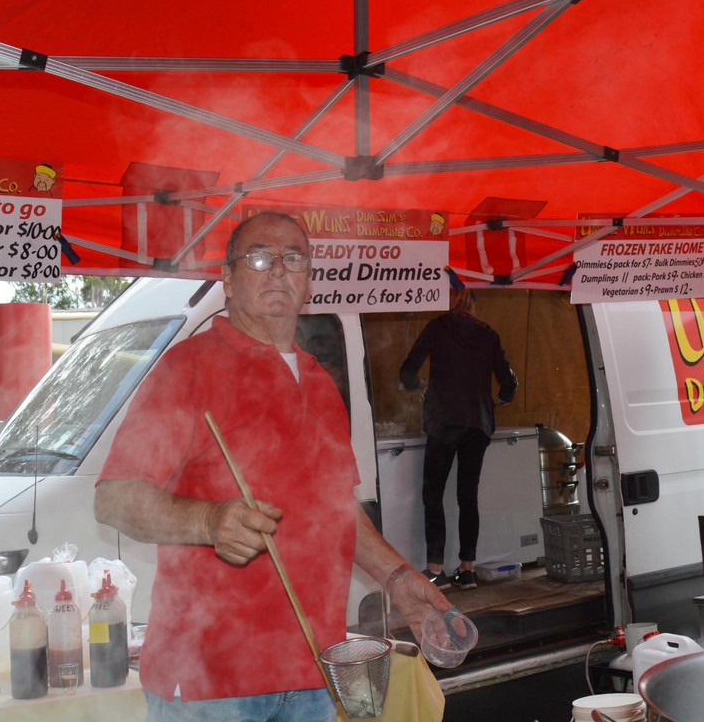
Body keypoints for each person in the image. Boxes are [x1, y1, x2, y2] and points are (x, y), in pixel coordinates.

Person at [94, 211, 451, 722]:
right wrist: (208, 520)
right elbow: (113, 497)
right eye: (260, 257)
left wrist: (395, 577)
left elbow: (336, 510)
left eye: (293, 259)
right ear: (229, 277)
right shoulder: (186, 369)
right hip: (210, 685)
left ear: (309, 279)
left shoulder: (320, 382)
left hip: (315, 673)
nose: (278, 270)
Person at [399, 277, 518, 591]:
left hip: (443, 422)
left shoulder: (436, 328)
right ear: (473, 303)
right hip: (477, 424)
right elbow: (508, 380)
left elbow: (407, 370)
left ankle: (436, 570)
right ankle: (467, 570)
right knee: (468, 497)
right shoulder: (488, 334)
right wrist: (501, 398)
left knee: (433, 496)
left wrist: (420, 388)